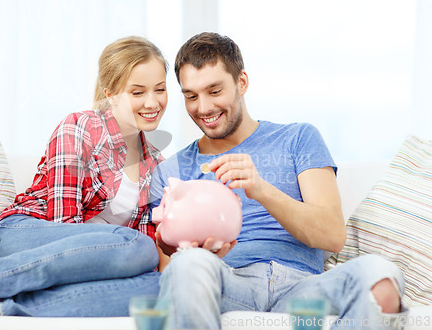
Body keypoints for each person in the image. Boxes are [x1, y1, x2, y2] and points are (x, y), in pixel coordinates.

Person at [151, 32, 408, 329]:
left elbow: (333, 235)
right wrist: (189, 253)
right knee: (188, 266)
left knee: (380, 275)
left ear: (241, 82)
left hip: (302, 289)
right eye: (191, 96)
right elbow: (170, 277)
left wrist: (260, 189)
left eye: (215, 90)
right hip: (228, 282)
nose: (204, 107)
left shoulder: (298, 138)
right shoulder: (172, 170)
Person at [0, 36, 167, 316]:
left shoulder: (156, 164)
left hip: (83, 261)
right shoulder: (79, 127)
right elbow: (63, 224)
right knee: (140, 248)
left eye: (160, 89)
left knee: (157, 286)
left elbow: (135, 255)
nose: (152, 102)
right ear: (111, 94)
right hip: (20, 238)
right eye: (137, 92)